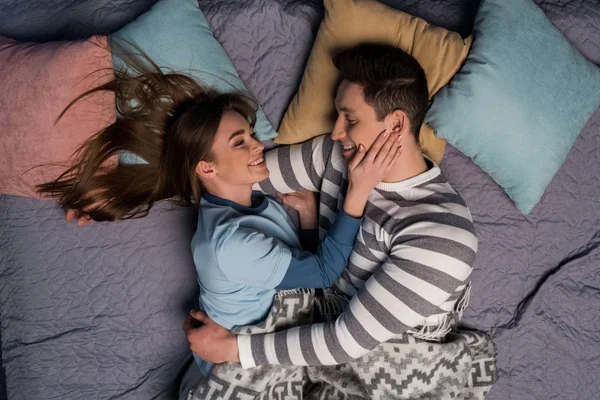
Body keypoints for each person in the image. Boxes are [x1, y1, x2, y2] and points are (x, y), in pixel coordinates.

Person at [37, 49, 403, 376]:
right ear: (207, 169)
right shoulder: (231, 243)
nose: (258, 145)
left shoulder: (247, 201)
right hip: (231, 366)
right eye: (240, 142)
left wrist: (307, 219)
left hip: (257, 341)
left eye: (249, 134)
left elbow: (298, 271)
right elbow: (322, 274)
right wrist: (358, 191)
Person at [183, 43, 478, 370]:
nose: (337, 132)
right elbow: (233, 175)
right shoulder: (335, 155)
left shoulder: (442, 239)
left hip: (391, 355)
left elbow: (345, 342)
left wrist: (231, 349)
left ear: (395, 125)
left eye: (349, 118)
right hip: (314, 311)